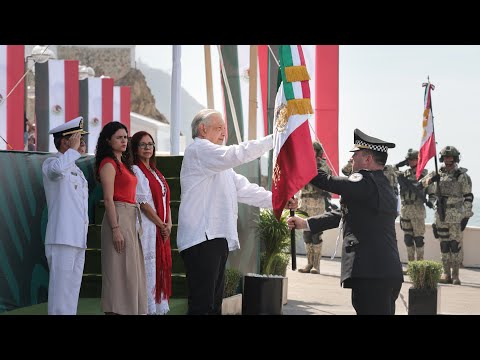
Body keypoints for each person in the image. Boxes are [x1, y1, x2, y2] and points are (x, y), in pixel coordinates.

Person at [177, 108, 294, 315]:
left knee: (213, 305)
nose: (224, 133)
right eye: (219, 128)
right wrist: (275, 139)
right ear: (203, 130)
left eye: (225, 128)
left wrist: (281, 201)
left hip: (215, 237)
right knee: (202, 306)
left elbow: (247, 191)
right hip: (201, 238)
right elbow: (237, 153)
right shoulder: (199, 150)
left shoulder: (220, 164)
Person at [287, 129, 404, 315]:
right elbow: (344, 214)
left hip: (371, 272)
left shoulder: (366, 182)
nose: (352, 159)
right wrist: (306, 223)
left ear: (368, 159)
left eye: (355, 155)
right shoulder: (381, 184)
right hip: (382, 271)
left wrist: (302, 159)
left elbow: (329, 182)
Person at [95, 121, 147, 315]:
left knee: (131, 272)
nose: (124, 140)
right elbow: (108, 199)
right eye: (119, 137)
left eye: (126, 137)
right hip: (118, 217)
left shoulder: (124, 163)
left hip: (130, 217)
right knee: (118, 273)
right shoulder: (108, 163)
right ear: (108, 140)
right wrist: (115, 228)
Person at [42, 116, 89, 314]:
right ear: (64, 141)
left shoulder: (76, 169)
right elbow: (57, 170)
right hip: (61, 238)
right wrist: (71, 151)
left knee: (71, 293)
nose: (83, 143)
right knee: (60, 295)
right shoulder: (51, 163)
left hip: (77, 238)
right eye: (78, 138)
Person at [131, 131, 172, 315]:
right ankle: (148, 308)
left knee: (160, 268)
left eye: (150, 144)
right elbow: (144, 204)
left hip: (160, 226)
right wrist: (161, 225)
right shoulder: (136, 170)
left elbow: (166, 201)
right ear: (135, 148)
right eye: (143, 144)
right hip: (148, 226)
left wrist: (168, 224)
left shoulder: (155, 171)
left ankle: (158, 307)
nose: (148, 148)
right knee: (149, 268)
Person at [422, 145, 474, 285]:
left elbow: (468, 196)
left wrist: (467, 215)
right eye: (445, 157)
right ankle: (446, 274)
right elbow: (421, 184)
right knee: (444, 245)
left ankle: (455, 275)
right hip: (441, 214)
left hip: (456, 215)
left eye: (450, 157)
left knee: (454, 245)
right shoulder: (437, 173)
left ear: (455, 158)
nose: (448, 159)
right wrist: (431, 180)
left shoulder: (462, 176)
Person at [297, 141, 332, 274]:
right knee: (306, 234)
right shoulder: (302, 164)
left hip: (317, 202)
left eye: (313, 150)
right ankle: (308, 264)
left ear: (318, 152)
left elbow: (324, 183)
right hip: (304, 201)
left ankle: (316, 265)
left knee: (316, 234)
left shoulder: (322, 165)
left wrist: (310, 173)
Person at [394, 149, 428, 262]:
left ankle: (419, 265)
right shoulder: (404, 174)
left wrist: (432, 202)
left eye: (414, 159)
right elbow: (391, 170)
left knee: (418, 239)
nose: (412, 161)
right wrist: (401, 164)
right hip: (405, 209)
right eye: (409, 160)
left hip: (417, 209)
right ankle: (411, 264)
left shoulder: (424, 174)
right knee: (408, 239)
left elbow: (432, 192)